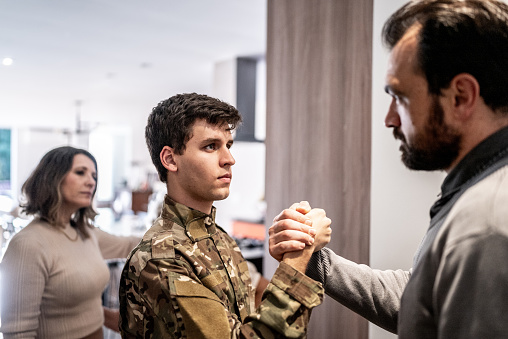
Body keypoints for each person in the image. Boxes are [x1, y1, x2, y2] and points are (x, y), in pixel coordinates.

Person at [269, 0, 508, 337]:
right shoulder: (475, 193)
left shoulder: (485, 228)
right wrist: (315, 261)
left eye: (401, 98)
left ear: (461, 96)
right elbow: (419, 299)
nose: (389, 119)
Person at [118, 93, 332, 338]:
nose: (229, 159)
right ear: (170, 159)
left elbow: (250, 322)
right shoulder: (161, 258)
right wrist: (299, 254)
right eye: (211, 146)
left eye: (228, 145)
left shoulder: (220, 238)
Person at [0, 146, 140, 338]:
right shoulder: (27, 245)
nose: (91, 182)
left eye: (94, 176)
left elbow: (130, 245)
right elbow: (18, 333)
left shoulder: (85, 232)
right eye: (80, 172)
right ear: (53, 178)